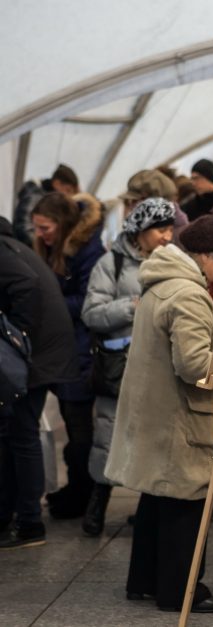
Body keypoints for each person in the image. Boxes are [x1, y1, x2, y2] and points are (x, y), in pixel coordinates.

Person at [105, 213, 213, 613]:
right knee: (185, 502)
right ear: (209, 255)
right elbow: (194, 365)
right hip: (178, 416)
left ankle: (144, 581)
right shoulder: (189, 294)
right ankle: (180, 592)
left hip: (154, 412)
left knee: (156, 498)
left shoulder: (160, 284)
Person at [79, 198, 176, 537]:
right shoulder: (112, 263)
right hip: (118, 365)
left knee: (153, 437)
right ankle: (97, 504)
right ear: (141, 230)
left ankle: (147, 511)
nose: (167, 236)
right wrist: (134, 306)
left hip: (157, 366)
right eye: (160, 229)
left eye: (169, 229)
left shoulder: (172, 262)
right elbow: (91, 313)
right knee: (107, 434)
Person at [0, 217, 79, 549]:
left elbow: (28, 286)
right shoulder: (13, 245)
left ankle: (30, 522)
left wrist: (18, 335)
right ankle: (18, 515)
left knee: (21, 433)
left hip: (40, 355)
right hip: (46, 351)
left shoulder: (4, 251)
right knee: (17, 432)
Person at [30, 192, 106, 519]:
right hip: (61, 350)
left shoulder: (89, 251)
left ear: (61, 224)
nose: (40, 235)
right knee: (73, 426)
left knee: (80, 431)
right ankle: (76, 491)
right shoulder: (49, 249)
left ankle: (82, 494)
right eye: (36, 228)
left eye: (45, 228)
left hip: (81, 352)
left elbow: (89, 302)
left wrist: (49, 303)